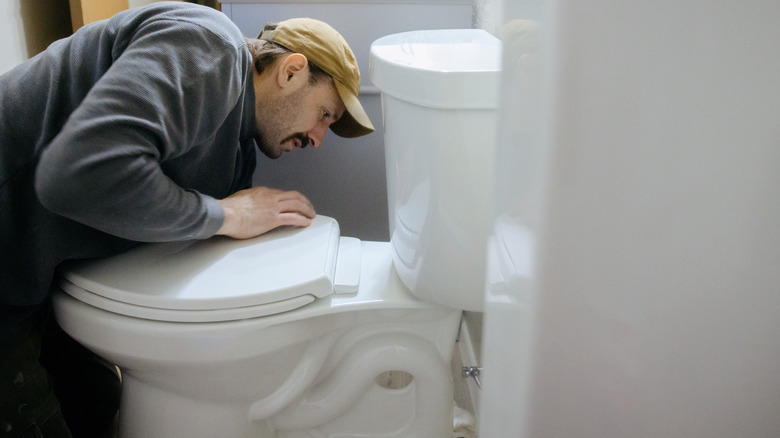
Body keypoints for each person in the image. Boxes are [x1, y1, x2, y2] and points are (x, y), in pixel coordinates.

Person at [0, 2, 374, 437]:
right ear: (291, 71)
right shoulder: (207, 46)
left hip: (40, 272)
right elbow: (76, 172)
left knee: (98, 407)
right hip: (8, 257)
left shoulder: (236, 154)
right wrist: (224, 214)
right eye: (325, 115)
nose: (317, 140)